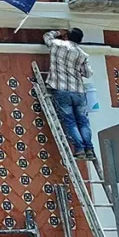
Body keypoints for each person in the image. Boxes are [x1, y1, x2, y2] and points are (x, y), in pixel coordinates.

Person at [44, 28, 95, 161]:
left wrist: (58, 32)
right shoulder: (82, 54)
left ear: (66, 36)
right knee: (83, 122)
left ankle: (79, 150)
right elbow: (88, 74)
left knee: (70, 122)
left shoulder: (57, 45)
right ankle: (89, 149)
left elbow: (47, 37)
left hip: (61, 89)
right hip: (78, 91)